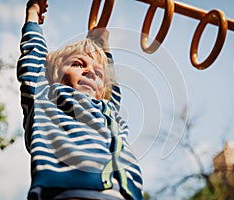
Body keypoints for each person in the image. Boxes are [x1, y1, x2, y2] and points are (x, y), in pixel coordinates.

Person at [17, 0, 144, 199]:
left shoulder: (107, 108)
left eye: (98, 72)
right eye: (77, 64)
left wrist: (104, 48)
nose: (90, 72)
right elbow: (32, 55)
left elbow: (110, 84)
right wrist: (33, 14)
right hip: (71, 193)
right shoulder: (46, 98)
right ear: (52, 76)